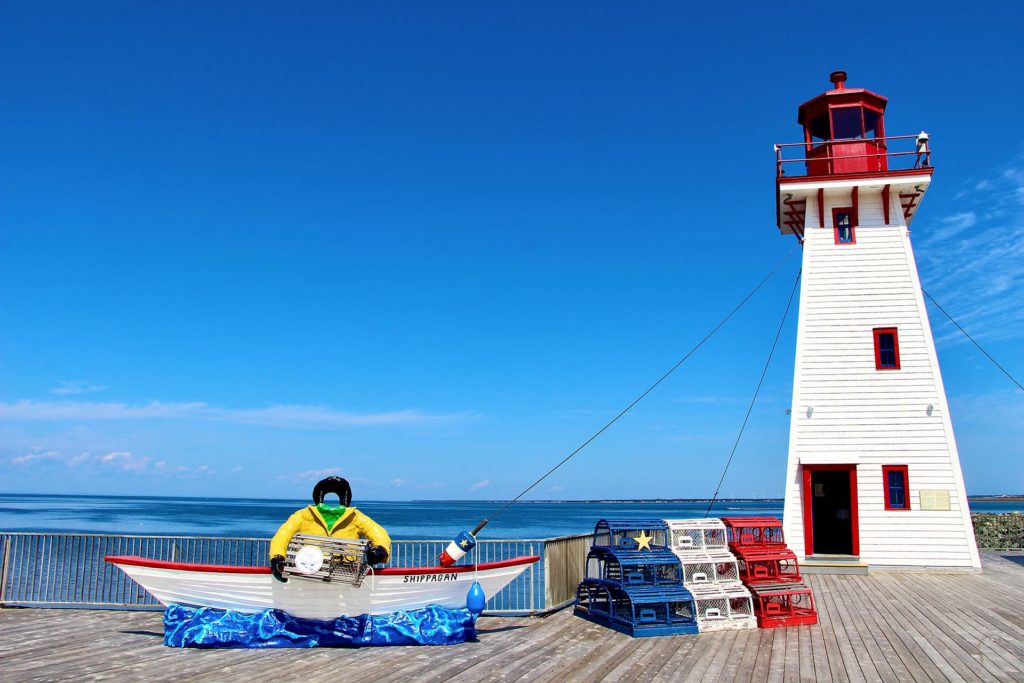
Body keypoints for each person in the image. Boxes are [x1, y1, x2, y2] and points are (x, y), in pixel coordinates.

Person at [269, 475, 392, 582]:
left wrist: (381, 550)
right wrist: (277, 557)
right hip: (309, 568)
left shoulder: (355, 517)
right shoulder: (304, 515)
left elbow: (378, 533)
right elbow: (282, 535)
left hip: (346, 570)